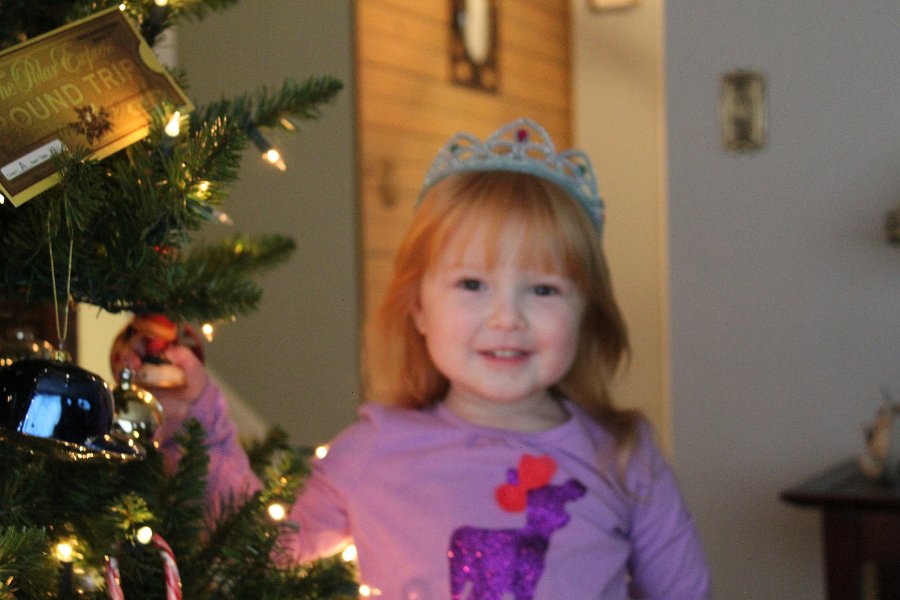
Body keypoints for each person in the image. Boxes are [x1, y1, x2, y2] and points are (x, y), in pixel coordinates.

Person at [116, 118, 711, 599]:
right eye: (472, 285)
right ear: (419, 309)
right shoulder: (375, 451)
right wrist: (194, 415)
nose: (507, 318)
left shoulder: (624, 456)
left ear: (586, 312)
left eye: (544, 289)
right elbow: (253, 551)